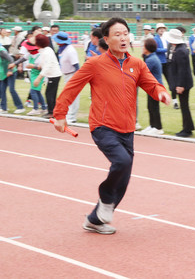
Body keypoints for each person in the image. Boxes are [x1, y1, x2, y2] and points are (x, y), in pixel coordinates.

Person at [53, 17, 171, 235]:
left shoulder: (136, 64)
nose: (123, 37)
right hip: (103, 126)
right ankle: (105, 200)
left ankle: (94, 219)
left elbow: (151, 83)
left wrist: (161, 92)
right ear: (106, 39)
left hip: (127, 129)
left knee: (124, 177)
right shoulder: (95, 64)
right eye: (117, 34)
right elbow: (72, 87)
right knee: (122, 161)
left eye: (125, 33)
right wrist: (60, 114)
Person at [166, 28, 195, 138]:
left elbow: (183, 69)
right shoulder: (178, 49)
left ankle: (187, 129)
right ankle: (188, 127)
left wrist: (180, 85)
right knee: (184, 106)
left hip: (183, 83)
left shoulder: (180, 51)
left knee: (184, 106)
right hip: (181, 82)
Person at [52, 31, 80, 123]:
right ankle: (69, 114)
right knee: (67, 96)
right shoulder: (61, 49)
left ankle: (72, 117)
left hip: (72, 75)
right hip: (66, 75)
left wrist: (76, 79)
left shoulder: (70, 50)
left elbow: (76, 65)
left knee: (73, 96)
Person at [140, 38, 164, 135]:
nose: (142, 48)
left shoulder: (151, 60)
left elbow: (141, 72)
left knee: (154, 107)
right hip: (151, 87)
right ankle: (152, 125)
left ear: (147, 48)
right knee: (150, 106)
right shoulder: (150, 58)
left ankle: (158, 127)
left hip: (155, 87)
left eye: (143, 46)